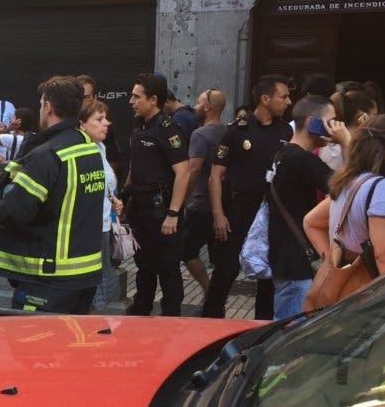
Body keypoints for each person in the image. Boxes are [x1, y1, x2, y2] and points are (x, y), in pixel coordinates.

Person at [0, 75, 106, 313]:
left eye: (40, 105)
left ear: (47, 107)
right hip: (84, 275)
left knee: (32, 348)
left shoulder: (47, 155)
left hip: (49, 279)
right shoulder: (88, 148)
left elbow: (12, 214)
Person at [202, 75, 292, 320]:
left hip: (271, 210)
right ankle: (210, 320)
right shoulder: (237, 131)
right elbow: (215, 176)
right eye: (283, 96)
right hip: (238, 208)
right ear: (265, 99)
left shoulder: (285, 131)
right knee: (227, 268)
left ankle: (262, 327)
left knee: (268, 273)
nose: (288, 101)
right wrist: (219, 214)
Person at [304, 114, 385, 292]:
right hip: (372, 300)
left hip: (347, 296)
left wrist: (334, 265)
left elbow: (311, 222)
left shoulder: (351, 183)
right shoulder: (383, 188)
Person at [267, 95, 349, 319]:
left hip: (286, 256)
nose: (334, 126)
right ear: (312, 121)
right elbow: (348, 188)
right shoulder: (301, 160)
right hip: (296, 263)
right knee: (290, 336)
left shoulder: (285, 152)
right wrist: (345, 142)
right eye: (330, 120)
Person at [124, 72, 191, 317]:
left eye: (136, 96)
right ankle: (142, 310)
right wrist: (124, 194)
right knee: (144, 266)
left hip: (161, 209)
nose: (131, 101)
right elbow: (135, 165)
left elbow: (183, 173)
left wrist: (173, 214)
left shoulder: (168, 129)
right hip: (140, 207)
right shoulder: (138, 125)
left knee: (168, 268)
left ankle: (171, 316)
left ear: (153, 100)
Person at [181, 88, 227, 292]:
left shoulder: (200, 134)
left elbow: (193, 169)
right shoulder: (229, 132)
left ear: (207, 107)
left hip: (200, 205)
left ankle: (209, 290)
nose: (195, 106)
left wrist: (179, 200)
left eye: (199, 103)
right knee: (220, 258)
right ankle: (216, 296)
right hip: (223, 206)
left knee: (187, 251)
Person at [79, 98, 123, 311]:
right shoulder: (80, 151)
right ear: (82, 125)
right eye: (99, 119)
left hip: (104, 225)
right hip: (89, 230)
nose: (107, 123)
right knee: (91, 294)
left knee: (100, 293)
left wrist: (114, 199)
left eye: (106, 118)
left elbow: (104, 185)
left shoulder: (100, 147)